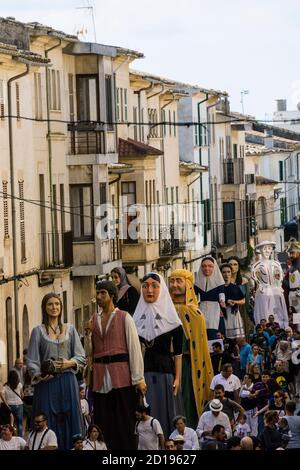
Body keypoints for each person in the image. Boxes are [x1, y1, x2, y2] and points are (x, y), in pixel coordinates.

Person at [87, 280, 146, 450]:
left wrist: (138, 378)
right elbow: (90, 353)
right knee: (103, 422)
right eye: (97, 293)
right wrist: (88, 333)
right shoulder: (93, 319)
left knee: (124, 422)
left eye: (103, 293)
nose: (98, 297)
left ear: (112, 295)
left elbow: (134, 348)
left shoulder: (124, 317)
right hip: (100, 378)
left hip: (121, 377)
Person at [26, 293, 86, 450]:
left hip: (68, 381)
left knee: (70, 418)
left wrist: (69, 363)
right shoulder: (38, 331)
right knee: (46, 419)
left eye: (57, 304)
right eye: (50, 304)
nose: (54, 307)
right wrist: (39, 374)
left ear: (61, 307)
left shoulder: (70, 330)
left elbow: (81, 357)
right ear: (44, 308)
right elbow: (31, 360)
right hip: (47, 383)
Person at [133, 273, 183, 438]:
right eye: (146, 286)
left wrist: (178, 378)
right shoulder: (134, 320)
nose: (150, 290)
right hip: (143, 374)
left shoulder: (172, 320)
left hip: (165, 373)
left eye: (155, 285)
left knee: (165, 412)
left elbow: (178, 353)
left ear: (161, 289)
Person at [169, 269, 213, 428]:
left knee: (187, 400)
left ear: (187, 284)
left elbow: (200, 348)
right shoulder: (165, 311)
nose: (174, 285)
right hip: (167, 365)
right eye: (172, 281)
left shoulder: (195, 313)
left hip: (188, 367)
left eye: (179, 281)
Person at [251, 241, 288, 328]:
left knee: (278, 306)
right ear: (260, 250)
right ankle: (264, 325)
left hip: (275, 289)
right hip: (264, 290)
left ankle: (281, 324)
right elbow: (254, 276)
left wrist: (279, 285)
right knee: (264, 308)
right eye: (264, 249)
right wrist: (260, 285)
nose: (267, 251)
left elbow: (280, 275)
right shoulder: (257, 264)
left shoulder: (276, 263)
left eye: (269, 248)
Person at [194, 257, 226, 339]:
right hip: (202, 308)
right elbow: (194, 295)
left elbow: (221, 293)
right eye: (204, 266)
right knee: (201, 332)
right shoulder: (198, 282)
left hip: (214, 309)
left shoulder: (219, 281)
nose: (206, 268)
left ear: (214, 267)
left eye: (210, 266)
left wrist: (222, 300)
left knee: (212, 333)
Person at [227, 256, 253, 339]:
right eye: (230, 264)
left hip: (242, 311)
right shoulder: (224, 281)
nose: (233, 267)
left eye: (235, 264)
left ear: (238, 266)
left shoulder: (244, 281)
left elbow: (247, 300)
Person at [220, 264, 245, 339]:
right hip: (222, 315)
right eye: (224, 272)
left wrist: (234, 302)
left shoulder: (235, 287)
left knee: (237, 339)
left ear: (231, 273)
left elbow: (243, 300)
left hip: (234, 314)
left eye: (228, 272)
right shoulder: (218, 287)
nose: (226, 274)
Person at [283, 238, 300, 332]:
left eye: (292, 253)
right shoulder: (292, 267)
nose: (291, 255)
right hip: (293, 295)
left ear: (298, 253)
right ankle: (298, 331)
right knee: (295, 313)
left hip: (298, 293)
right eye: (290, 253)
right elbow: (287, 283)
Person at [2, 370, 23, 437]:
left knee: (10, 423)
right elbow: (22, 395)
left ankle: (10, 437)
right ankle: (20, 438)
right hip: (19, 405)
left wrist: (6, 404)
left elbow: (3, 396)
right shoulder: (19, 384)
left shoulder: (5, 386)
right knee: (19, 423)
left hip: (9, 405)